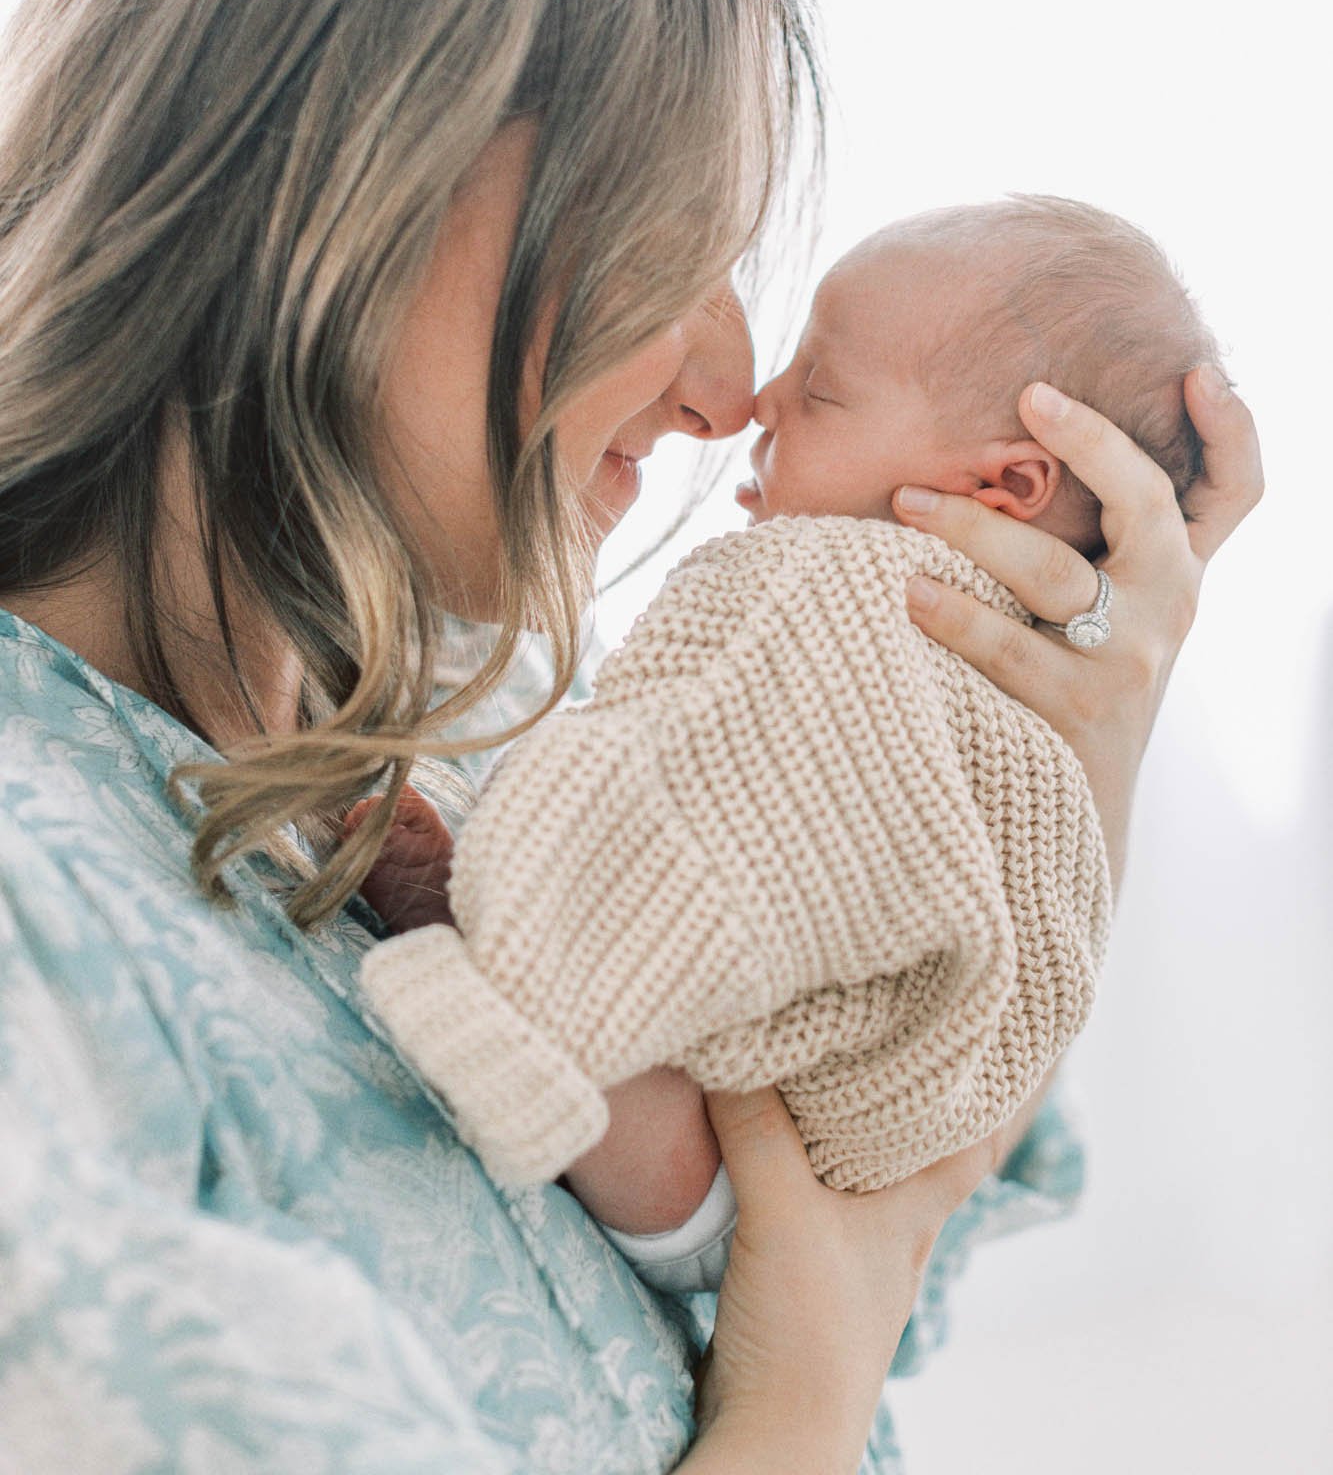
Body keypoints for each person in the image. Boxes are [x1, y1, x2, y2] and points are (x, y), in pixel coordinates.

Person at [0, 0, 1262, 1475]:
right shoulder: (44, 923)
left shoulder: (524, 737)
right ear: (347, 187)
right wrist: (793, 1423)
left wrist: (1052, 759)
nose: (732, 386)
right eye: (680, 243)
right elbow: (827, 1330)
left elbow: (876, 1224)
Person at [348, 194, 1221, 1296]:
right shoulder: (925, 629)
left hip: (750, 1174)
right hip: (846, 1152)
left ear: (1000, 486)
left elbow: (756, 815)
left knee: (637, 1073)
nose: (749, 399)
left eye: (818, 390)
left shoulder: (855, 605)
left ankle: (523, 1000)